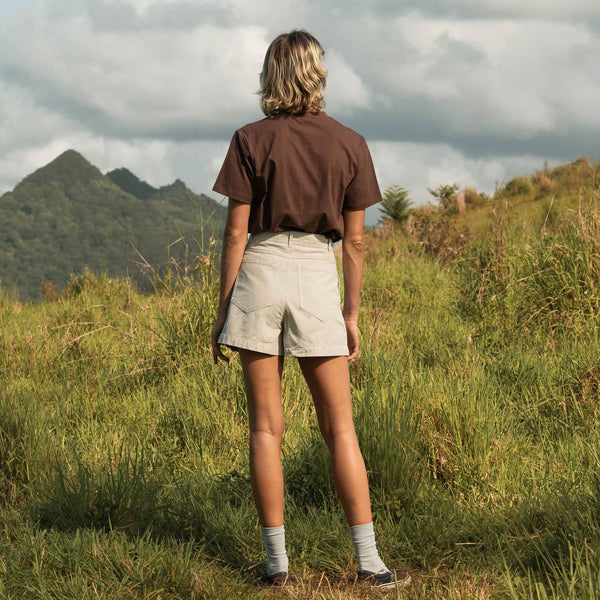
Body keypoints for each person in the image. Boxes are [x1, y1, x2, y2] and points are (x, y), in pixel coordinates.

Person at [210, 30, 411, 590]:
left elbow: (234, 232)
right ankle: (371, 563)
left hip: (261, 267)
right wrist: (351, 313)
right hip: (319, 274)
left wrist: (225, 307)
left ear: (271, 76)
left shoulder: (249, 138)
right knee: (340, 428)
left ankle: (277, 569)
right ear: (318, 73)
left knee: (266, 430)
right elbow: (356, 241)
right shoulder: (350, 142)